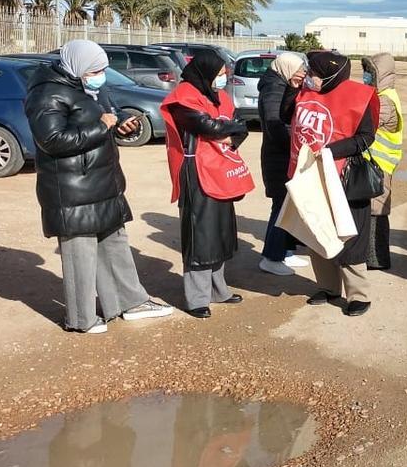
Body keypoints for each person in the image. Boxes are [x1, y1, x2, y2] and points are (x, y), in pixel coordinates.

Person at [24, 39, 173, 333]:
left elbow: (110, 115)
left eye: (103, 69)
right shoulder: (47, 94)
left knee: (114, 243)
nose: (101, 74)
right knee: (80, 253)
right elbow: (51, 141)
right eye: (95, 70)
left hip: (103, 181)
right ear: (77, 67)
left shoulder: (91, 89)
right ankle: (81, 319)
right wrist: (102, 126)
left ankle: (130, 302)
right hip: (73, 189)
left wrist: (122, 124)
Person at [288, 51, 380, 317]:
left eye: (315, 73)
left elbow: (366, 138)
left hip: (344, 177)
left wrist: (330, 150)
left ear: (329, 74)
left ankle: (358, 295)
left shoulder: (359, 96)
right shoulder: (305, 93)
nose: (311, 78)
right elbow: (285, 116)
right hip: (312, 177)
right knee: (317, 232)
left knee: (349, 236)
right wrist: (291, 87)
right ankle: (328, 288)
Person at [161, 50, 251, 319]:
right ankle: (197, 297)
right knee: (200, 235)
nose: (224, 79)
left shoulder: (219, 95)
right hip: (195, 171)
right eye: (220, 74)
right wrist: (226, 132)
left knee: (220, 233)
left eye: (225, 74)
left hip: (221, 169)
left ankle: (218, 290)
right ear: (207, 72)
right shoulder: (183, 97)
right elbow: (207, 126)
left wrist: (230, 136)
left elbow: (240, 126)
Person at [257, 52, 310, 276]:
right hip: (278, 157)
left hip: (284, 154)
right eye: (299, 70)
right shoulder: (273, 88)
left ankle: (284, 251)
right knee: (280, 206)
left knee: (287, 206)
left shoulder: (282, 82)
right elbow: (274, 123)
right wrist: (293, 145)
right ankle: (271, 257)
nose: (303, 74)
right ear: (287, 68)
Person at [362, 52, 403, 271]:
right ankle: (373, 256)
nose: (365, 76)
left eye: (369, 72)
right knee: (373, 209)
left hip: (380, 165)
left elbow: (368, 125)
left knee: (376, 211)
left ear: (381, 75)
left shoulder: (385, 99)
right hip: (375, 163)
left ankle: (376, 258)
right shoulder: (381, 95)